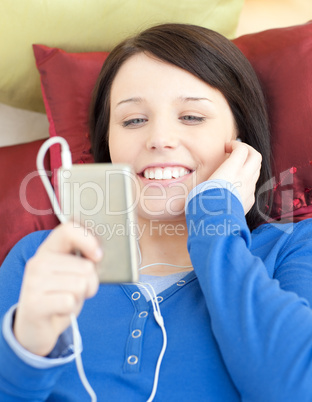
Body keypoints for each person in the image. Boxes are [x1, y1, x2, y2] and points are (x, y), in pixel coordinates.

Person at [1, 23, 312, 401]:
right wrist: (27, 343)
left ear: (241, 138)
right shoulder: (41, 260)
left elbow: (296, 389)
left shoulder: (291, 250)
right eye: (133, 120)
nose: (159, 139)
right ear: (108, 142)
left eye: (192, 117)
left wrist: (215, 216)